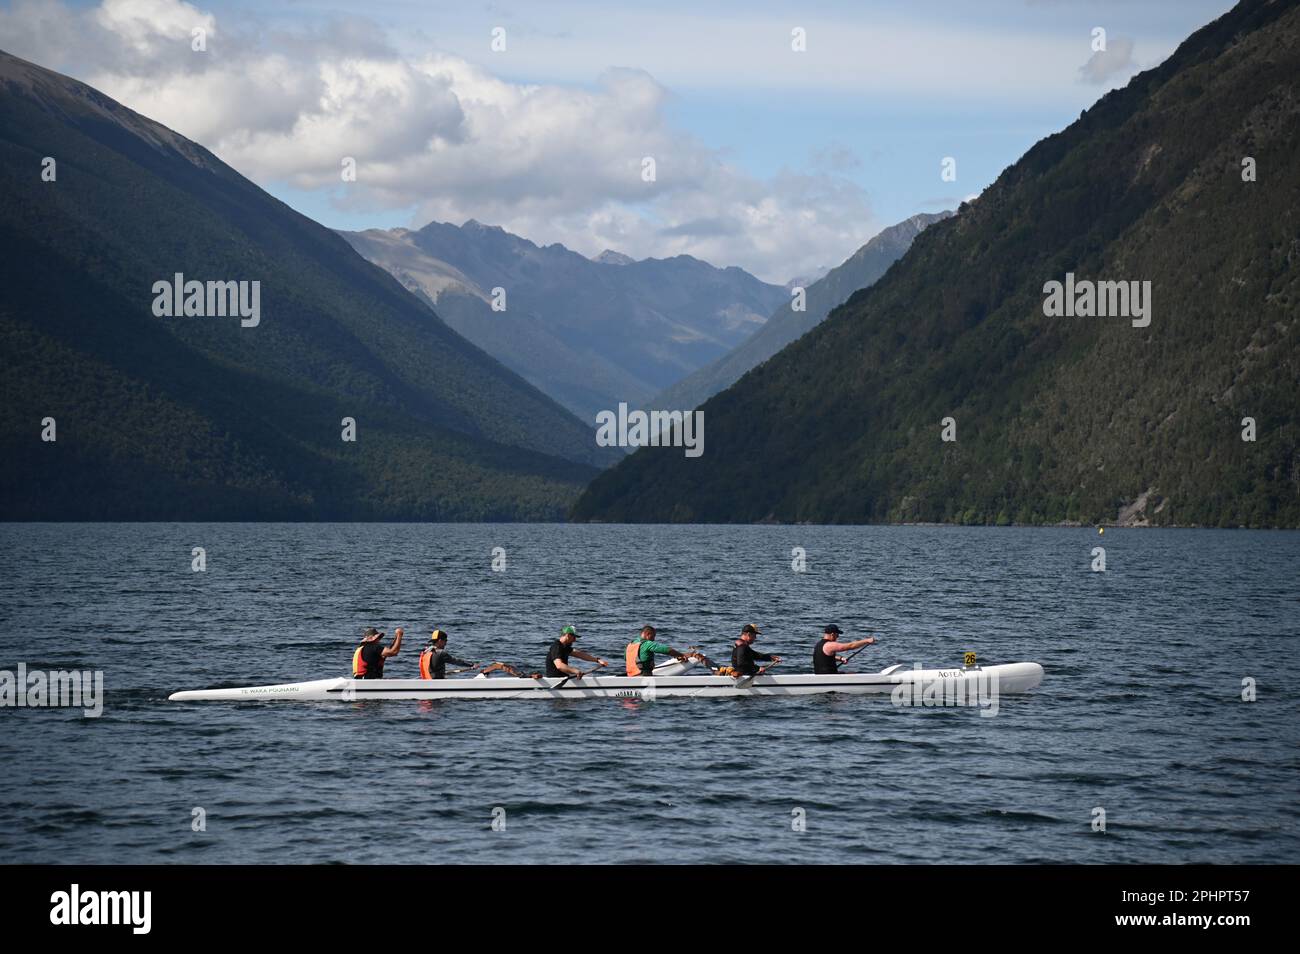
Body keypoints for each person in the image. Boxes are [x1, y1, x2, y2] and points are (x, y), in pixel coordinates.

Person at [545, 625, 610, 679]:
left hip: (563, 677)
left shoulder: (565, 647)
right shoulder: (556, 647)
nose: (575, 640)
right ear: (568, 635)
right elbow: (559, 665)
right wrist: (575, 671)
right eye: (574, 637)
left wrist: (597, 660)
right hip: (555, 680)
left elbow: (580, 654)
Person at [624, 625, 691, 676]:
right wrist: (681, 655)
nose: (653, 639)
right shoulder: (647, 644)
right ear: (648, 634)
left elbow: (626, 659)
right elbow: (667, 650)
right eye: (653, 636)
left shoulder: (630, 645)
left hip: (631, 676)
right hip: (643, 676)